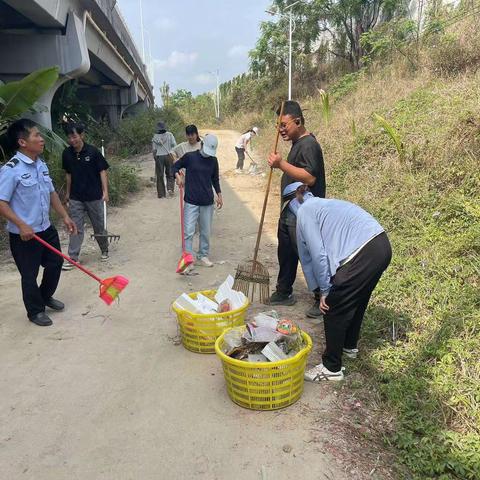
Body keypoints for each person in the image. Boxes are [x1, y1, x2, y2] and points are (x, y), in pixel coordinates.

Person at [288, 184, 392, 381]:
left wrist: (325, 291)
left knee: (333, 305)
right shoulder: (324, 205)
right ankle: (349, 346)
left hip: (363, 250)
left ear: (294, 201)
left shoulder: (305, 211)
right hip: (381, 244)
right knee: (357, 299)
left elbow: (317, 255)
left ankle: (331, 367)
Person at [0, 119, 77, 326]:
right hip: (24, 235)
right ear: (23, 142)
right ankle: (35, 312)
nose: (42, 139)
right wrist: (21, 224)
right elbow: (2, 203)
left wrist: (65, 216)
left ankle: (44, 297)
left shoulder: (40, 164)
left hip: (45, 228)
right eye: (36, 135)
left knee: (55, 263)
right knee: (29, 274)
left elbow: (51, 193)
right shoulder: (11, 169)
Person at [267, 101, 326, 317]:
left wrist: (280, 164)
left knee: (308, 253)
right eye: (278, 126)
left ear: (298, 121)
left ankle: (322, 298)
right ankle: (284, 291)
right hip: (290, 209)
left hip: (304, 210)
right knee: (286, 251)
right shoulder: (297, 143)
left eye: (284, 125)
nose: (280, 130)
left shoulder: (309, 144)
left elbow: (310, 177)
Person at [61, 123, 110, 270]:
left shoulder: (93, 152)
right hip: (76, 197)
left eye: (74, 136)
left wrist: (105, 191)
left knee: (99, 225)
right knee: (75, 227)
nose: (72, 140)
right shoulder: (67, 154)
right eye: (69, 137)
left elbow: (102, 172)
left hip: (94, 196)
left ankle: (104, 249)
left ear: (82, 135)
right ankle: (73, 257)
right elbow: (68, 175)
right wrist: (68, 194)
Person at [173, 134, 223, 273]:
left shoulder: (213, 161)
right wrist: (178, 177)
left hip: (207, 201)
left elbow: (215, 179)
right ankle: (188, 259)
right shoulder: (190, 157)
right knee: (188, 232)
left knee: (205, 231)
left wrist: (219, 195)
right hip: (191, 201)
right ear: (201, 145)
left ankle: (203, 255)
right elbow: (175, 167)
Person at [152, 121, 177, 198]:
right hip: (169, 155)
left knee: (160, 175)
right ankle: (170, 189)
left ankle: (161, 194)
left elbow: (154, 150)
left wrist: (155, 158)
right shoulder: (170, 135)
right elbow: (174, 145)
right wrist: (173, 154)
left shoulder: (155, 137)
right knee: (170, 173)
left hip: (159, 157)